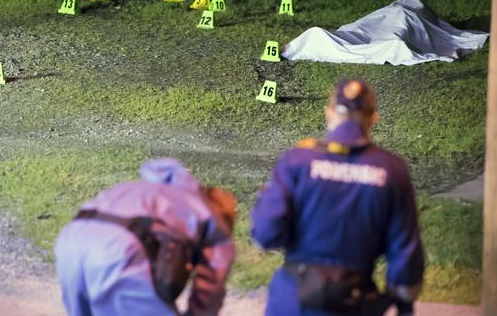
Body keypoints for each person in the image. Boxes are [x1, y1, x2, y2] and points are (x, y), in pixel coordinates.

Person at [251, 79, 424, 316]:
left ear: (329, 114)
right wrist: (403, 303)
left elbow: (266, 234)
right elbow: (405, 252)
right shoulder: (392, 170)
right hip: (354, 302)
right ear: (373, 118)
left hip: (292, 300)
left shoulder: (298, 160)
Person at [55, 158, 236, 316]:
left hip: (70, 240)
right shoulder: (211, 218)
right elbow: (209, 291)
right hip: (119, 247)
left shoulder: (153, 191)